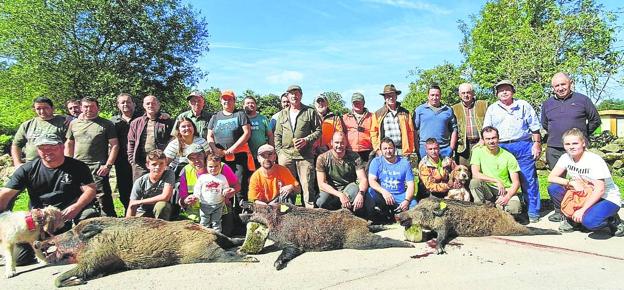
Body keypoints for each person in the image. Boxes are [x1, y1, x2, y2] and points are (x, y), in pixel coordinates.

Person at [0, 134, 98, 266]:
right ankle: (49, 246)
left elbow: (90, 190)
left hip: (69, 214)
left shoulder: (78, 166)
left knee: (89, 217)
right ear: (37, 150)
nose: (47, 151)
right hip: (39, 221)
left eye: (52, 146)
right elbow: (6, 195)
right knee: (19, 259)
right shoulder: (27, 169)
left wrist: (77, 206)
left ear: (62, 147)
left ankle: (82, 245)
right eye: (42, 148)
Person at [542, 73, 602, 222]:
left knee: (586, 180)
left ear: (570, 83)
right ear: (552, 88)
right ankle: (560, 210)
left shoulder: (583, 100)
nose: (560, 88)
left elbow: (595, 120)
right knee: (556, 182)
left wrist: (581, 137)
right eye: (557, 86)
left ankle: (588, 207)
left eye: (563, 84)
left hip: (578, 150)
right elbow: (544, 124)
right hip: (555, 148)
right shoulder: (547, 104)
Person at [483, 80, 542, 223]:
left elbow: (534, 127)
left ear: (513, 91)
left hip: (522, 145)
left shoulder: (523, 105)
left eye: (507, 89)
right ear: (497, 94)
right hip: (501, 146)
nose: (504, 92)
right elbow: (486, 130)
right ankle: (506, 208)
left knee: (528, 179)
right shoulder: (492, 108)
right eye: (500, 90)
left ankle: (533, 212)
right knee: (504, 178)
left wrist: (537, 144)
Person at [547, 128, 623, 236]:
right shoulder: (565, 158)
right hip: (584, 194)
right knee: (554, 188)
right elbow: (551, 177)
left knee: (590, 222)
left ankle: (612, 219)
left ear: (583, 143)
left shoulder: (594, 160)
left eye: (575, 143)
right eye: (567, 144)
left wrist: (582, 210)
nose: (571, 147)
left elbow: (600, 190)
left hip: (605, 197)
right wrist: (571, 182)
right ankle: (573, 220)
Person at [65, 97, 119, 217]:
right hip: (78, 166)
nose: (89, 109)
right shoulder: (74, 124)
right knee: (79, 196)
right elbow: (69, 143)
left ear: (98, 108)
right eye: (86, 106)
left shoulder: (106, 124)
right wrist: (67, 163)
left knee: (103, 198)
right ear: (81, 108)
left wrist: (108, 165)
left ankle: (109, 221)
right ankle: (84, 220)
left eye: (92, 106)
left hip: (98, 167)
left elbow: (115, 145)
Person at [274, 84, 321, 208]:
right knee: (287, 186)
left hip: (304, 156)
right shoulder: (282, 114)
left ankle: (309, 214)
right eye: (291, 93)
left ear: (301, 95)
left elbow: (318, 131)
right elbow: (277, 135)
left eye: (296, 93)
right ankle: (287, 211)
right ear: (288, 96)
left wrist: (306, 140)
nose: (294, 96)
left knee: (307, 186)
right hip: (286, 156)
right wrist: (279, 153)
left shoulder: (310, 112)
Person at [469, 126, 522, 217]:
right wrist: (496, 180)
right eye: (488, 139)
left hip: (504, 190)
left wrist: (507, 197)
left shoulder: (508, 156)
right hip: (487, 188)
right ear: (483, 140)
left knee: (514, 209)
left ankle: (498, 207)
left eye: (493, 138)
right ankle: (481, 211)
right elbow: (475, 173)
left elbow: (516, 183)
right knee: (474, 182)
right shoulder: (477, 151)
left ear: (498, 138)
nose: (491, 141)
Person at [315, 132, 369, 217]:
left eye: (342, 143)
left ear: (346, 143)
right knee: (320, 201)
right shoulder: (322, 158)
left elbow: (363, 179)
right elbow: (321, 184)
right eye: (336, 142)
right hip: (331, 190)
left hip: (348, 188)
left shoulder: (354, 156)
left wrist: (361, 194)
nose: (339, 145)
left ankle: (346, 215)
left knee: (355, 189)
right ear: (332, 143)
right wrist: (340, 195)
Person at [368, 138, 416, 223]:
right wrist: (384, 192)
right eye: (385, 149)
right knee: (370, 192)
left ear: (395, 149)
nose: (388, 151)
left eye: (390, 148)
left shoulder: (404, 163)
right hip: (383, 194)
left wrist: (407, 200)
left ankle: (402, 217)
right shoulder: (376, 161)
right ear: (381, 150)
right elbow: (371, 181)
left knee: (414, 204)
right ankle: (382, 215)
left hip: (400, 194)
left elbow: (411, 185)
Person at [127, 95, 174, 181]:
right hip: (140, 162)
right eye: (148, 103)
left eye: (153, 103)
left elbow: (173, 140)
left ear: (158, 105)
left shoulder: (168, 122)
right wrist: (132, 160)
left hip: (160, 161)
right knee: (140, 188)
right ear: (144, 105)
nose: (150, 105)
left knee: (160, 188)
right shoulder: (136, 123)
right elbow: (131, 142)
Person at [12, 97, 67, 167]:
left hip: (56, 164)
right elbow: (16, 145)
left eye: (45, 108)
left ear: (53, 108)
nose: (42, 111)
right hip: (31, 165)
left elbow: (70, 143)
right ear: (34, 109)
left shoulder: (64, 122)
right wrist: (17, 163)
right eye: (38, 109)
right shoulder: (27, 125)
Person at [110, 93, 142, 212]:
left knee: (139, 185)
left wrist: (164, 114)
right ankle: (127, 211)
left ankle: (141, 211)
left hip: (139, 159)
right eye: (122, 102)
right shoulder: (113, 122)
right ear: (118, 105)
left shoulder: (142, 117)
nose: (125, 104)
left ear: (133, 104)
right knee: (124, 187)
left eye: (128, 102)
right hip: (121, 160)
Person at [184, 154, 234, 232]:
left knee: (216, 222)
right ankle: (204, 238)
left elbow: (225, 189)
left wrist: (227, 191)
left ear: (220, 166)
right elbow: (197, 190)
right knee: (204, 222)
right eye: (210, 166)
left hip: (218, 205)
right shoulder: (203, 178)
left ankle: (218, 238)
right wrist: (195, 197)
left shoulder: (222, 178)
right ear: (206, 166)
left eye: (216, 166)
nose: (213, 169)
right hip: (204, 205)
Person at [126, 149, 174, 220]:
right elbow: (132, 205)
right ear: (148, 165)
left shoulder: (169, 174)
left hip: (161, 211)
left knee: (162, 205)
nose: (158, 167)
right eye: (154, 164)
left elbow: (165, 197)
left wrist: (140, 202)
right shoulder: (140, 182)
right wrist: (128, 222)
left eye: (161, 163)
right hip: (144, 211)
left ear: (166, 164)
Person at [413, 85, 458, 159]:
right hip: (425, 150)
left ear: (440, 96)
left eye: (437, 95)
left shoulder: (448, 110)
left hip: (444, 149)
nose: (434, 97)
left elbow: (454, 129)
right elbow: (414, 130)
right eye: (432, 95)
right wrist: (418, 148)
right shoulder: (419, 110)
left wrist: (451, 148)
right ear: (428, 96)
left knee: (444, 170)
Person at [370, 84, 415, 156]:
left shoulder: (405, 113)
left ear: (396, 96)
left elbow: (411, 132)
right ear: (384, 97)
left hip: (402, 150)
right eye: (388, 96)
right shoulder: (377, 114)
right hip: (386, 150)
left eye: (393, 95)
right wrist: (377, 149)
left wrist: (410, 150)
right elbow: (373, 133)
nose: (391, 98)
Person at [452, 83, 488, 166]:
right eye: (463, 93)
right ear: (459, 95)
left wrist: (483, 139)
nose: (466, 95)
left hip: (481, 143)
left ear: (473, 93)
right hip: (463, 146)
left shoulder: (483, 105)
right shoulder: (454, 108)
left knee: (482, 169)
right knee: (464, 172)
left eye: (468, 92)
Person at [342, 92, 374, 162]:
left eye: (359, 102)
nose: (357, 104)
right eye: (355, 102)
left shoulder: (372, 116)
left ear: (364, 103)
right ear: (352, 104)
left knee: (366, 172)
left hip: (367, 151)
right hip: (350, 150)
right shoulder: (345, 117)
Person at [243, 96, 274, 163]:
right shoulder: (241, 119)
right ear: (243, 106)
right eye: (248, 103)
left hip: (261, 155)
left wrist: (271, 151)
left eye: (252, 103)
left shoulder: (263, 119)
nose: (250, 105)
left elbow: (270, 135)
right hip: (244, 155)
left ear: (256, 105)